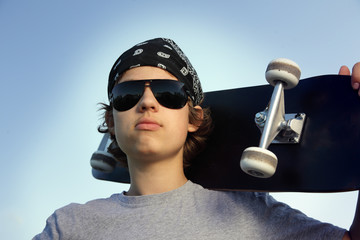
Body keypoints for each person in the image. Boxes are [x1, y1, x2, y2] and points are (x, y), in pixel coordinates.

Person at [34, 38, 360, 240]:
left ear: (194, 119)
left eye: (167, 94)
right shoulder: (70, 225)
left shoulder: (247, 211)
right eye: (128, 94)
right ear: (111, 120)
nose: (147, 103)